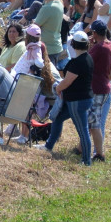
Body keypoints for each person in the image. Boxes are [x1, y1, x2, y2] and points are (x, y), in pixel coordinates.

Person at [43, 30, 94, 166]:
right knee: (58, 118)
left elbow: (67, 82)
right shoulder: (87, 58)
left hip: (77, 101)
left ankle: (86, 161)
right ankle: (48, 146)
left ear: (74, 45)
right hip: (80, 99)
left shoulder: (78, 62)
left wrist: (57, 89)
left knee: (82, 131)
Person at [86, 21, 111, 162]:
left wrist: (88, 46)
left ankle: (99, 154)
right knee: (91, 121)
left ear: (94, 33)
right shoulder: (110, 45)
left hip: (97, 88)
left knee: (95, 123)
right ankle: (82, 148)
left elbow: (86, 60)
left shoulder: (99, 48)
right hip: (104, 86)